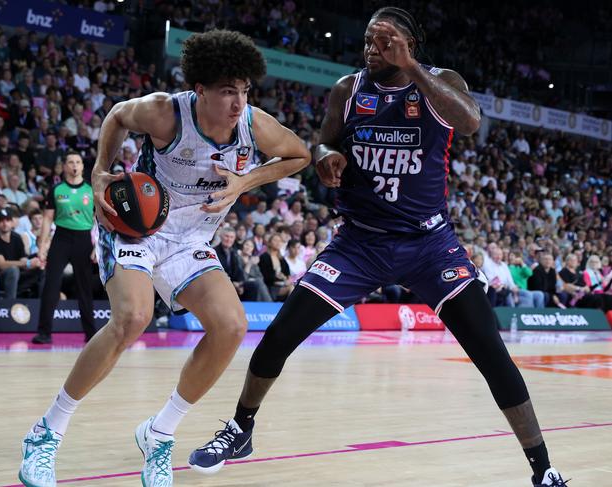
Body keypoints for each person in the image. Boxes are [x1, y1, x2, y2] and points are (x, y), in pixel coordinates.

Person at [189, 9, 568, 487]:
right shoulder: (348, 90)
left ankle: (543, 468)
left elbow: (470, 122)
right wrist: (327, 160)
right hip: (359, 243)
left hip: (430, 245)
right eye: (369, 40)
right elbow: (323, 143)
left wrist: (411, 68)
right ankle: (241, 428)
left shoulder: (438, 82)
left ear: (409, 43)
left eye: (385, 41)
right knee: (280, 336)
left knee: (491, 352)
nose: (373, 48)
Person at [19, 29, 310, 487]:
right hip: (138, 225)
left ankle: (159, 433)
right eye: (228, 92)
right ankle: (45, 432)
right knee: (133, 317)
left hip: (190, 239)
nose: (239, 102)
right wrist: (98, 173)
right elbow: (116, 116)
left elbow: (299, 154)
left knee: (231, 326)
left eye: (245, 90)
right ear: (200, 90)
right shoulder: (164, 111)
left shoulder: (255, 125)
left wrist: (244, 182)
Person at [31, 151, 97, 344]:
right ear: (65, 166)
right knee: (51, 285)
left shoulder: (90, 190)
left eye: (78, 162)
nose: (75, 165)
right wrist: (42, 245)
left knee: (84, 288)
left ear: (83, 167)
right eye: (70, 162)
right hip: (61, 238)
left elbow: (99, 220)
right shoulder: (57, 189)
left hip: (84, 239)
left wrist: (97, 247)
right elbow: (47, 219)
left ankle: (91, 334)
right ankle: (44, 333)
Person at [0, 207, 43, 298]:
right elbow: (2, 265)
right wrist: (27, 263)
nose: (5, 223)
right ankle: (10, 304)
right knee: (13, 270)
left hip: (16, 276)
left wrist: (33, 263)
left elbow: (23, 259)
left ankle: (40, 304)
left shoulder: (17, 237)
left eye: (8, 220)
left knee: (41, 268)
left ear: (12, 223)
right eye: (1, 221)